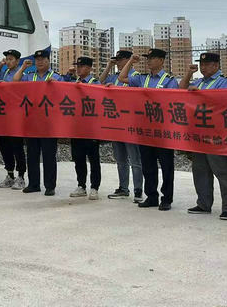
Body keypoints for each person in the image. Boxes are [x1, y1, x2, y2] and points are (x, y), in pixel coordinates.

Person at [119, 49, 179, 210]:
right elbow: (122, 78)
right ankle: (151, 196)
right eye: (148, 58)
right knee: (148, 165)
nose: (149, 61)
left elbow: (173, 102)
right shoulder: (142, 78)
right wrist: (131, 61)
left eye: (152, 58)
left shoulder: (170, 81)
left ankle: (167, 199)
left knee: (166, 166)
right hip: (145, 130)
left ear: (161, 60)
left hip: (163, 130)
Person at [179, 52, 227, 221]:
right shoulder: (199, 82)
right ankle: (204, 204)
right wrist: (188, 74)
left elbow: (223, 101)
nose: (203, 67)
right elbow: (180, 90)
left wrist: (200, 95)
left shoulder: (224, 82)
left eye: (207, 64)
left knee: (222, 171)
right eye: (201, 65)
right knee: (200, 170)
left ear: (216, 65)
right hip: (198, 134)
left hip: (216, 134)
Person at [13, 49, 64, 196]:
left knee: (49, 156)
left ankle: (50, 186)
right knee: (32, 155)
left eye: (43, 59)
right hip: (32, 122)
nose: (40, 62)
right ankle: (34, 184)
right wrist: (23, 67)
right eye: (37, 59)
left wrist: (56, 85)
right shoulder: (30, 76)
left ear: (48, 60)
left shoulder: (56, 77)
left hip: (49, 123)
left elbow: (64, 94)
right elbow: (15, 82)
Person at [101, 50, 144, 203]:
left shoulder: (136, 77)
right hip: (116, 123)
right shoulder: (114, 76)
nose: (118, 62)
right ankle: (123, 188)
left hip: (130, 123)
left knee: (135, 160)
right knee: (120, 159)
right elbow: (100, 81)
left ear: (127, 60)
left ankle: (138, 190)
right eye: (117, 60)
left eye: (120, 60)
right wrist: (109, 65)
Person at [66, 57, 102, 200]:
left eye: (81, 66)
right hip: (76, 128)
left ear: (88, 68)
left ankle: (94, 187)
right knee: (78, 158)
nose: (78, 69)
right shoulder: (73, 83)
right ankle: (81, 185)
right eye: (77, 66)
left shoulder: (95, 83)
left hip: (91, 128)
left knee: (94, 159)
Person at [0, 49, 27, 190]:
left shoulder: (23, 75)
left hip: (16, 116)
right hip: (3, 115)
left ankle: (21, 176)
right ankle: (10, 174)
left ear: (17, 61)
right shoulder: (5, 73)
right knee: (4, 146)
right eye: (7, 59)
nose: (8, 61)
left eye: (11, 59)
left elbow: (18, 89)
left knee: (17, 147)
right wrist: (1, 65)